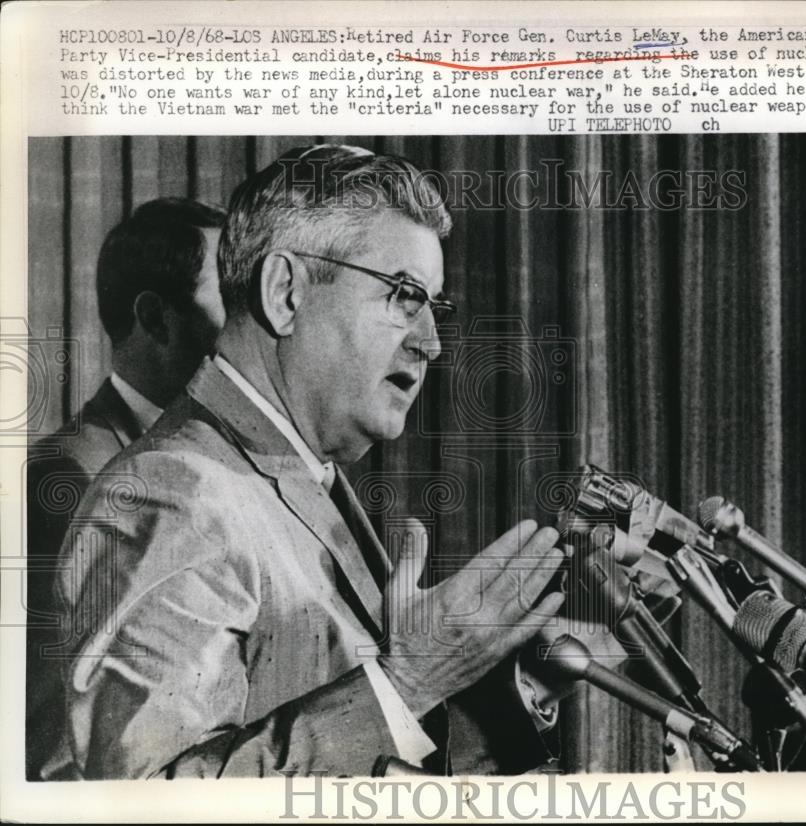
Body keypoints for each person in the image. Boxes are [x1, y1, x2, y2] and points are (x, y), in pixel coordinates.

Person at [45, 146, 567, 779]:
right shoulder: (172, 490)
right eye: (404, 296)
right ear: (285, 293)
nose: (431, 342)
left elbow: (377, 746)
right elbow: (147, 801)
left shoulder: (299, 473)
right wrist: (406, 683)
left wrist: (542, 670)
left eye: (435, 306)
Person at [25, 197, 227, 780]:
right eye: (234, 300)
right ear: (157, 319)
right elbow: (55, 745)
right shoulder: (69, 478)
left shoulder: (211, 459)